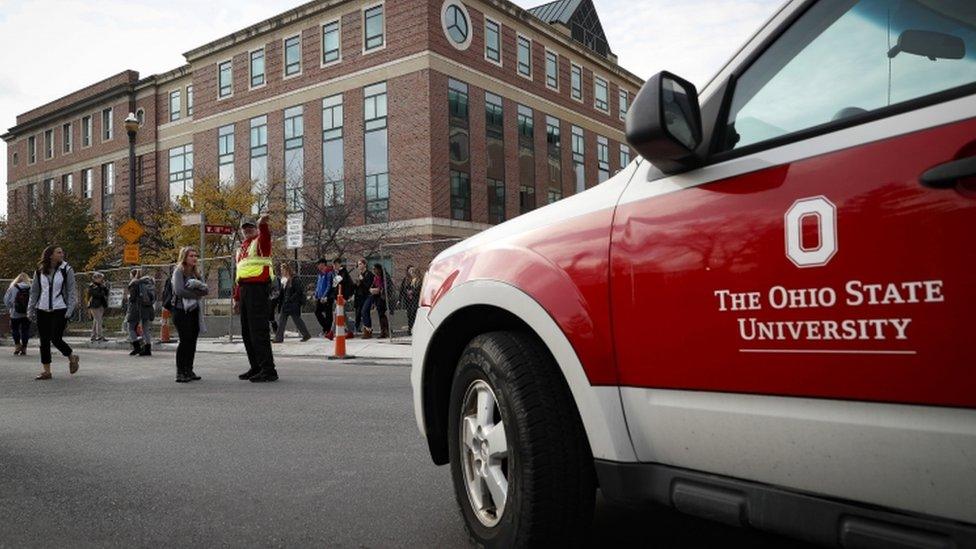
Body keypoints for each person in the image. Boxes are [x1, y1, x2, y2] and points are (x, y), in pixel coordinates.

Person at [233, 214, 278, 383]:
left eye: (250, 226)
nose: (247, 229)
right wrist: (237, 298)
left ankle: (268, 369)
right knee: (247, 332)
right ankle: (256, 366)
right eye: (244, 227)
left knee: (258, 331)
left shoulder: (260, 242)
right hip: (245, 291)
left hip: (258, 290)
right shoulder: (241, 249)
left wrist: (263, 225)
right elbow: (239, 276)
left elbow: (266, 237)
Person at [27, 246, 80, 380]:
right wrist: (31, 309)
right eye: (59, 252)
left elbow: (71, 292)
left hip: (60, 309)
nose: (62, 254)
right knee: (44, 341)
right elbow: (34, 292)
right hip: (42, 309)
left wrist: (69, 310)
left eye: (62, 252)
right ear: (50, 255)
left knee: (56, 338)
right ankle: (47, 371)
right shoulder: (39, 270)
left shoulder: (66, 269)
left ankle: (71, 357)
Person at [171, 246, 209, 383]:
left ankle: (189, 369)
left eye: (195, 255)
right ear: (184, 258)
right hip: (181, 310)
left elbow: (205, 290)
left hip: (194, 310)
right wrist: (196, 295)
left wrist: (198, 293)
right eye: (191, 256)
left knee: (192, 341)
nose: (194, 258)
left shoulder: (196, 273)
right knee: (185, 340)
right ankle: (180, 372)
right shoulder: (178, 272)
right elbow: (179, 291)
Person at [273, 263, 312, 343]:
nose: (282, 272)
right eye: (281, 270)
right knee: (282, 320)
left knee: (297, 320)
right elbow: (283, 293)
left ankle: (306, 335)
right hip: (286, 304)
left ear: (287, 270)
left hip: (293, 304)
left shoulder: (295, 279)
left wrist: (291, 299)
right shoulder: (284, 280)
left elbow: (298, 291)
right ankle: (279, 337)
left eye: (283, 270)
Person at [126, 268, 156, 357]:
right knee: (145, 328)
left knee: (130, 328)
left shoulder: (135, 283)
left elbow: (132, 298)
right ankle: (147, 348)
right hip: (148, 308)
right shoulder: (149, 283)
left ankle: (137, 347)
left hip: (136, 308)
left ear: (133, 275)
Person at [325, 258, 354, 340]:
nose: (334, 266)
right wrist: (334, 297)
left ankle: (331, 332)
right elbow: (335, 287)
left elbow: (349, 286)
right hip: (338, 297)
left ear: (339, 264)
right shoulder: (336, 274)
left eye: (335, 264)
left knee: (336, 314)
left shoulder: (343, 273)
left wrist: (345, 297)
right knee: (343, 315)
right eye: (333, 265)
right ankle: (350, 332)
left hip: (342, 297)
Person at [4, 273, 32, 356]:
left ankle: (17, 346)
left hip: (15, 313)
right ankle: (24, 348)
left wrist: (11, 308)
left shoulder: (12, 288)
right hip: (27, 313)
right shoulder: (31, 288)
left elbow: (6, 300)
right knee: (25, 330)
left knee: (15, 329)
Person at [361, 263, 390, 339]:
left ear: (379, 269)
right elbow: (372, 286)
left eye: (375, 269)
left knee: (382, 314)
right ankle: (384, 331)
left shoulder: (384, 277)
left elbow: (385, 288)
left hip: (383, 298)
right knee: (380, 314)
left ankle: (385, 331)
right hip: (377, 297)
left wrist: (379, 290)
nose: (373, 270)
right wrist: (372, 289)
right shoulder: (376, 277)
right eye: (373, 269)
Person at [312, 258, 335, 338]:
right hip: (320, 297)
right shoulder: (320, 274)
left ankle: (327, 331)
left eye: (318, 264)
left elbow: (329, 285)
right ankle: (326, 329)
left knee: (328, 314)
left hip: (327, 297)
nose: (317, 266)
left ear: (322, 264)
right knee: (317, 311)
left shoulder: (329, 273)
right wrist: (316, 294)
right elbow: (318, 285)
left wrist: (324, 295)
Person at [397, 266, 423, 336]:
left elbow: (419, 290)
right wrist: (407, 293)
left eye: (412, 272)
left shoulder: (419, 280)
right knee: (410, 314)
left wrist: (412, 292)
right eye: (410, 272)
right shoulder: (410, 280)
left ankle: (415, 328)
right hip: (409, 300)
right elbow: (404, 289)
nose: (411, 273)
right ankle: (411, 328)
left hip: (416, 299)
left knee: (414, 313)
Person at [353, 258, 374, 336]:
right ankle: (366, 329)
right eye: (358, 264)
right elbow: (360, 286)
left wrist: (362, 280)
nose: (359, 266)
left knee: (365, 312)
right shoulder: (360, 275)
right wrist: (357, 284)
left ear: (365, 264)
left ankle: (367, 329)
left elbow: (368, 286)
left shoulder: (369, 274)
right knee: (361, 313)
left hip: (367, 296)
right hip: (360, 296)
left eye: (360, 264)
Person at [87, 272, 109, 342]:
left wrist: (105, 287)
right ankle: (100, 336)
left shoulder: (101, 286)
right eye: (100, 278)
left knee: (96, 321)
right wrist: (102, 290)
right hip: (94, 305)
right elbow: (96, 295)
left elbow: (106, 293)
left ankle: (93, 336)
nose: (102, 279)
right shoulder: (92, 286)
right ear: (96, 278)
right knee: (99, 321)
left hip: (101, 305)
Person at [268, 268, 282, 337]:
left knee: (270, 314)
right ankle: (272, 331)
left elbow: (276, 291)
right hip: (268, 299)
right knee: (269, 315)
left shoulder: (274, 278)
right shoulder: (267, 278)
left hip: (273, 299)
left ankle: (276, 331)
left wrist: (271, 297)